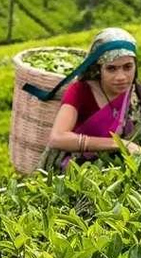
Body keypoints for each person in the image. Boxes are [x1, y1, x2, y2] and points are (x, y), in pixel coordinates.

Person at [40, 27, 141, 172]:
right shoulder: (81, 91)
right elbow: (57, 137)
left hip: (119, 170)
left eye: (127, 67)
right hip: (76, 173)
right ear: (99, 69)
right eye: (111, 69)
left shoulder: (136, 94)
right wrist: (118, 144)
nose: (121, 77)